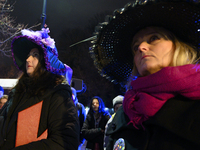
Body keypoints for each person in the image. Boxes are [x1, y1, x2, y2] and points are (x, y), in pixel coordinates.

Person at [88, 0, 200, 149]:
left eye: (153, 38)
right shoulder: (126, 111)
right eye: (135, 46)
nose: (141, 47)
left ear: (178, 45)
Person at [0, 27, 79, 149]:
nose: (28, 59)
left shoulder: (58, 94)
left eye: (35, 55)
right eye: (28, 55)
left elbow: (64, 142)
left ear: (46, 60)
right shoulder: (17, 92)